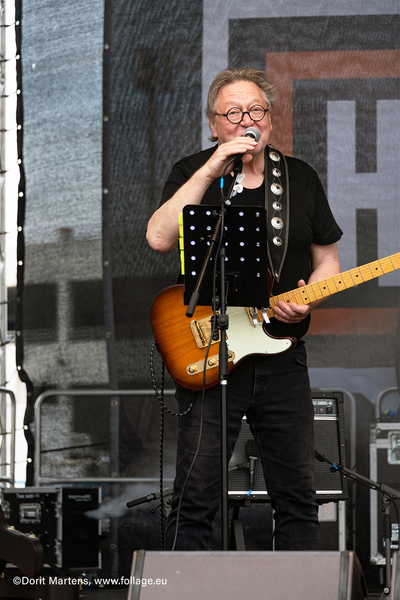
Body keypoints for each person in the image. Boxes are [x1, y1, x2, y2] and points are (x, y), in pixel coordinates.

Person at [146, 67, 342, 551]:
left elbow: (328, 261)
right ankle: (184, 583)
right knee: (195, 497)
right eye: (232, 113)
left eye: (256, 110)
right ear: (214, 124)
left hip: (282, 355)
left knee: (297, 496)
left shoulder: (298, 178)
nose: (246, 121)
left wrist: (309, 298)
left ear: (270, 120)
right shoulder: (192, 171)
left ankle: (296, 585)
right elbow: (158, 238)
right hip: (212, 352)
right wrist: (212, 168)